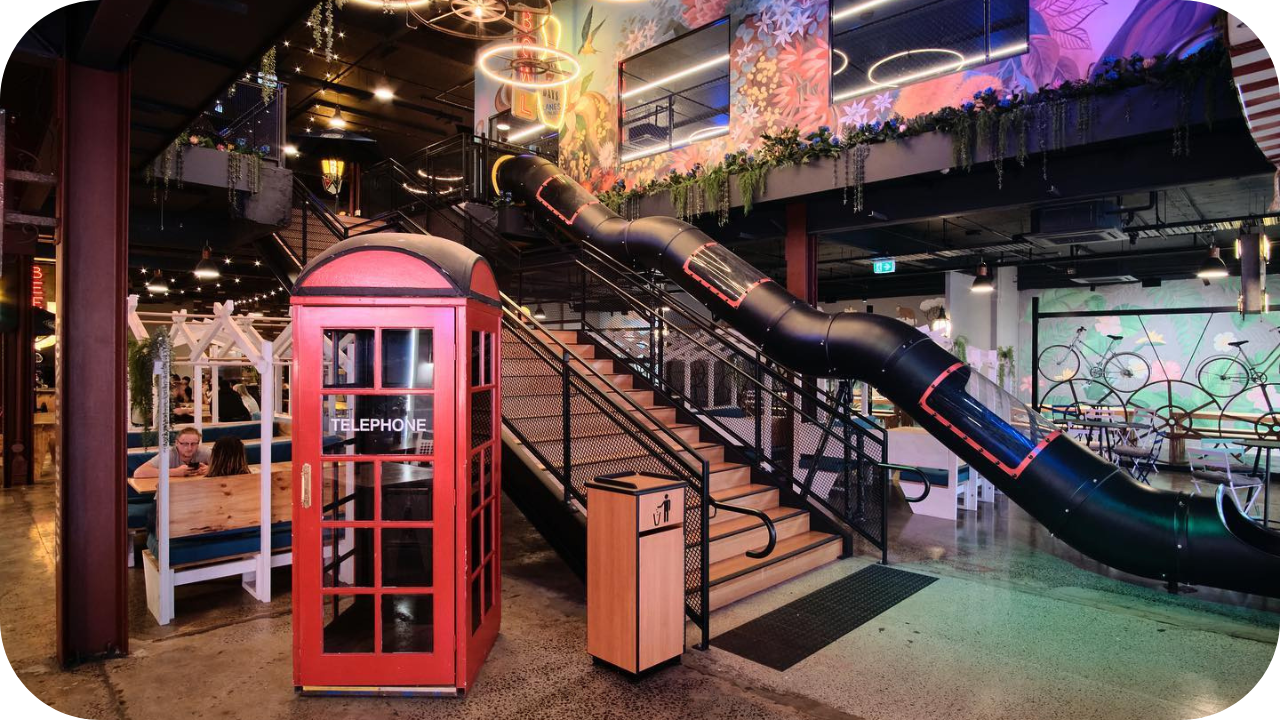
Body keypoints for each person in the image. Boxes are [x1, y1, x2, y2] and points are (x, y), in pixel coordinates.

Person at [134, 426, 208, 478]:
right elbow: (138, 473)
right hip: (169, 495)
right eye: (185, 444)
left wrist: (211, 469)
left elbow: (219, 466)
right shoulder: (169, 454)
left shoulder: (204, 452)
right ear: (176, 443)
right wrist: (175, 472)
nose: (189, 448)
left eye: (193, 444)